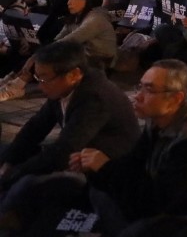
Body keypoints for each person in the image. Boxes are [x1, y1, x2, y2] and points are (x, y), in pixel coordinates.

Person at [74, 59, 187, 233]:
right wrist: (95, 166)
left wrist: (105, 168)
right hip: (172, 199)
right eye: (140, 87)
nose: (138, 96)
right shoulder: (160, 120)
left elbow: (157, 203)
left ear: (175, 99)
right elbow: (133, 163)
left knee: (130, 223)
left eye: (148, 90)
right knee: (99, 193)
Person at [0, 42, 139, 231]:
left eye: (44, 78)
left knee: (27, 184)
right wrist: (7, 162)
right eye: (38, 77)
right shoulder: (64, 89)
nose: (40, 85)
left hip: (103, 172)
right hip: (76, 158)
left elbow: (64, 151)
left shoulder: (95, 97)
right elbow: (35, 128)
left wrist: (12, 175)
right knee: (10, 155)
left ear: (73, 74)